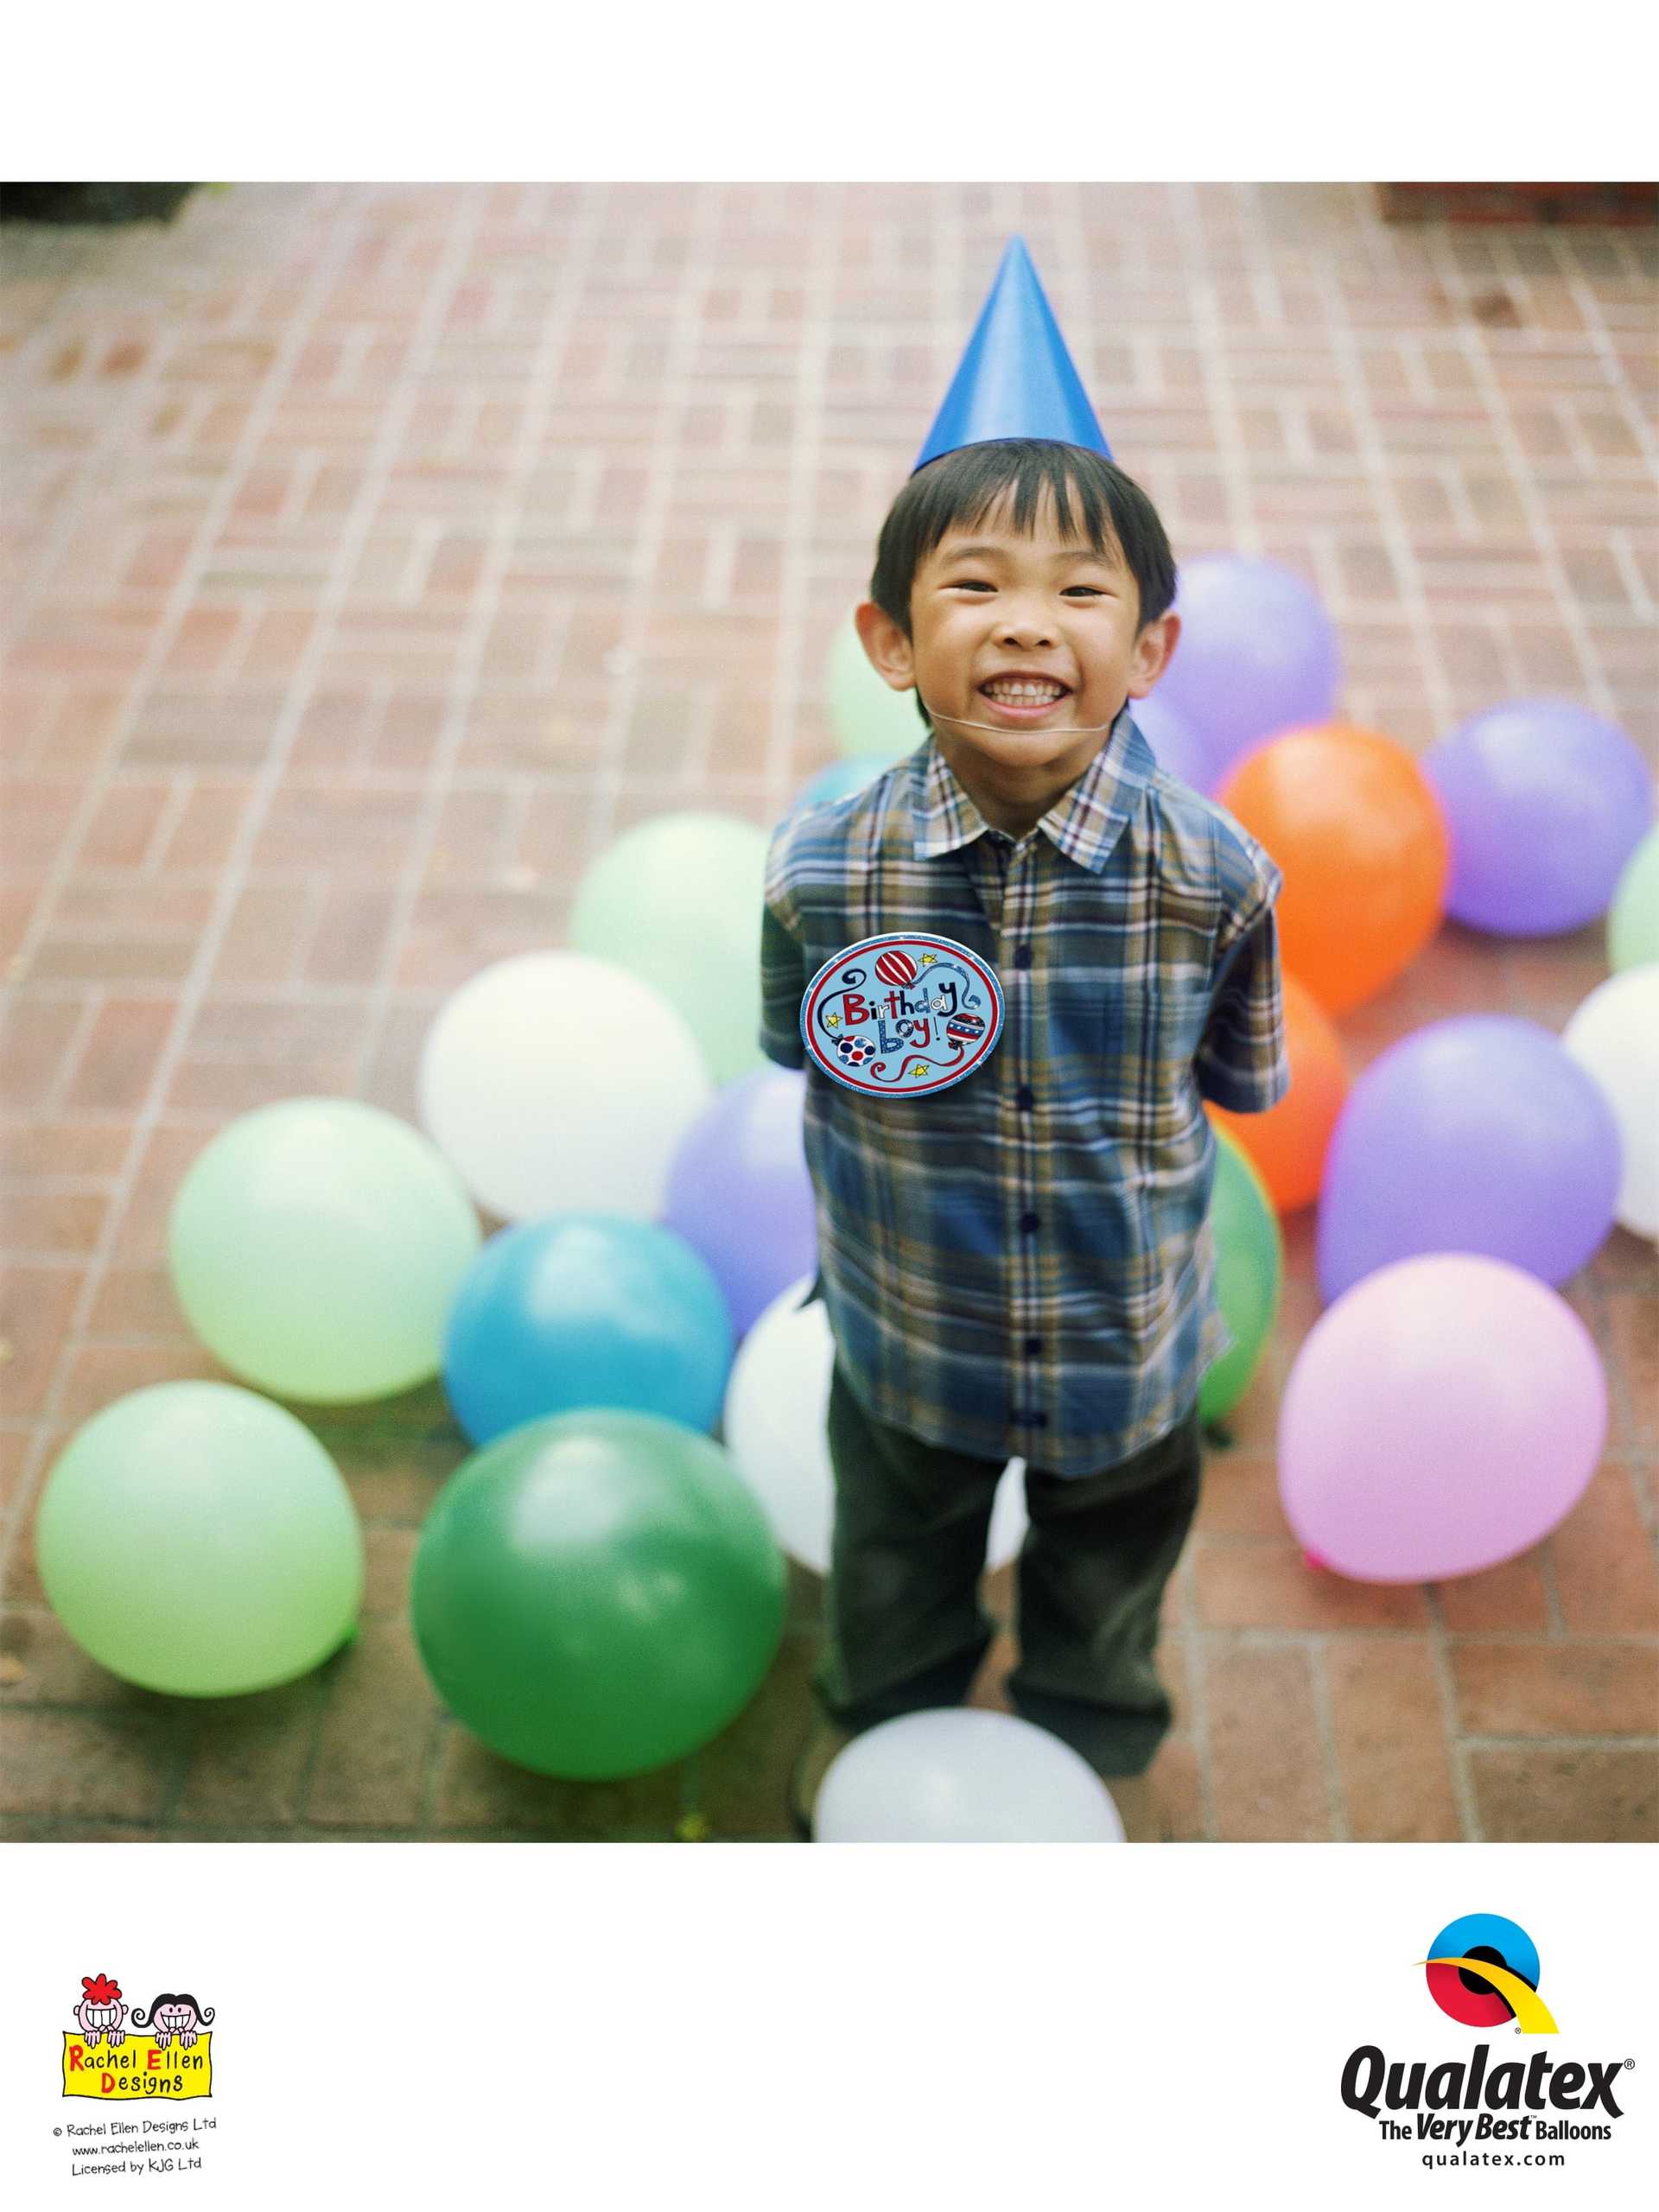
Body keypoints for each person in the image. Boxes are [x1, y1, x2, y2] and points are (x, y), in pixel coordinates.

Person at [760, 243, 1288, 1840]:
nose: (1026, 623)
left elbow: (1235, 1080)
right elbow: (805, 1046)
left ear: (1150, 651)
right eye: (974, 584)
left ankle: (1089, 1724)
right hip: (909, 1333)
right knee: (893, 1559)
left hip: (1128, 1344)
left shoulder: (1216, 876)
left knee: (1112, 1565)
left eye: (1079, 590)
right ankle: (886, 1732)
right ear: (890, 640)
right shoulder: (818, 865)